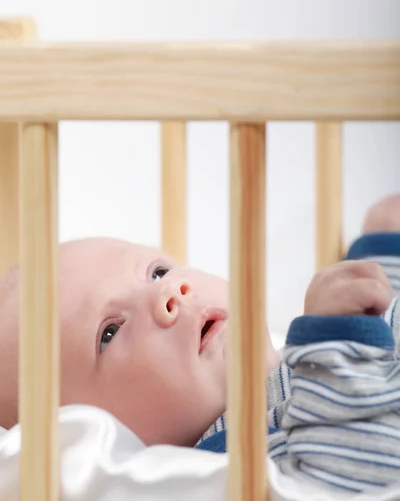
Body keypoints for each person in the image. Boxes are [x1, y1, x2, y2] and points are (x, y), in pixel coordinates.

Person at [0, 194, 399, 494]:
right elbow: (362, 477)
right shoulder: (229, 464)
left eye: (157, 272)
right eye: (110, 332)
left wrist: (381, 253)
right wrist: (337, 342)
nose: (170, 293)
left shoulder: (300, 352)